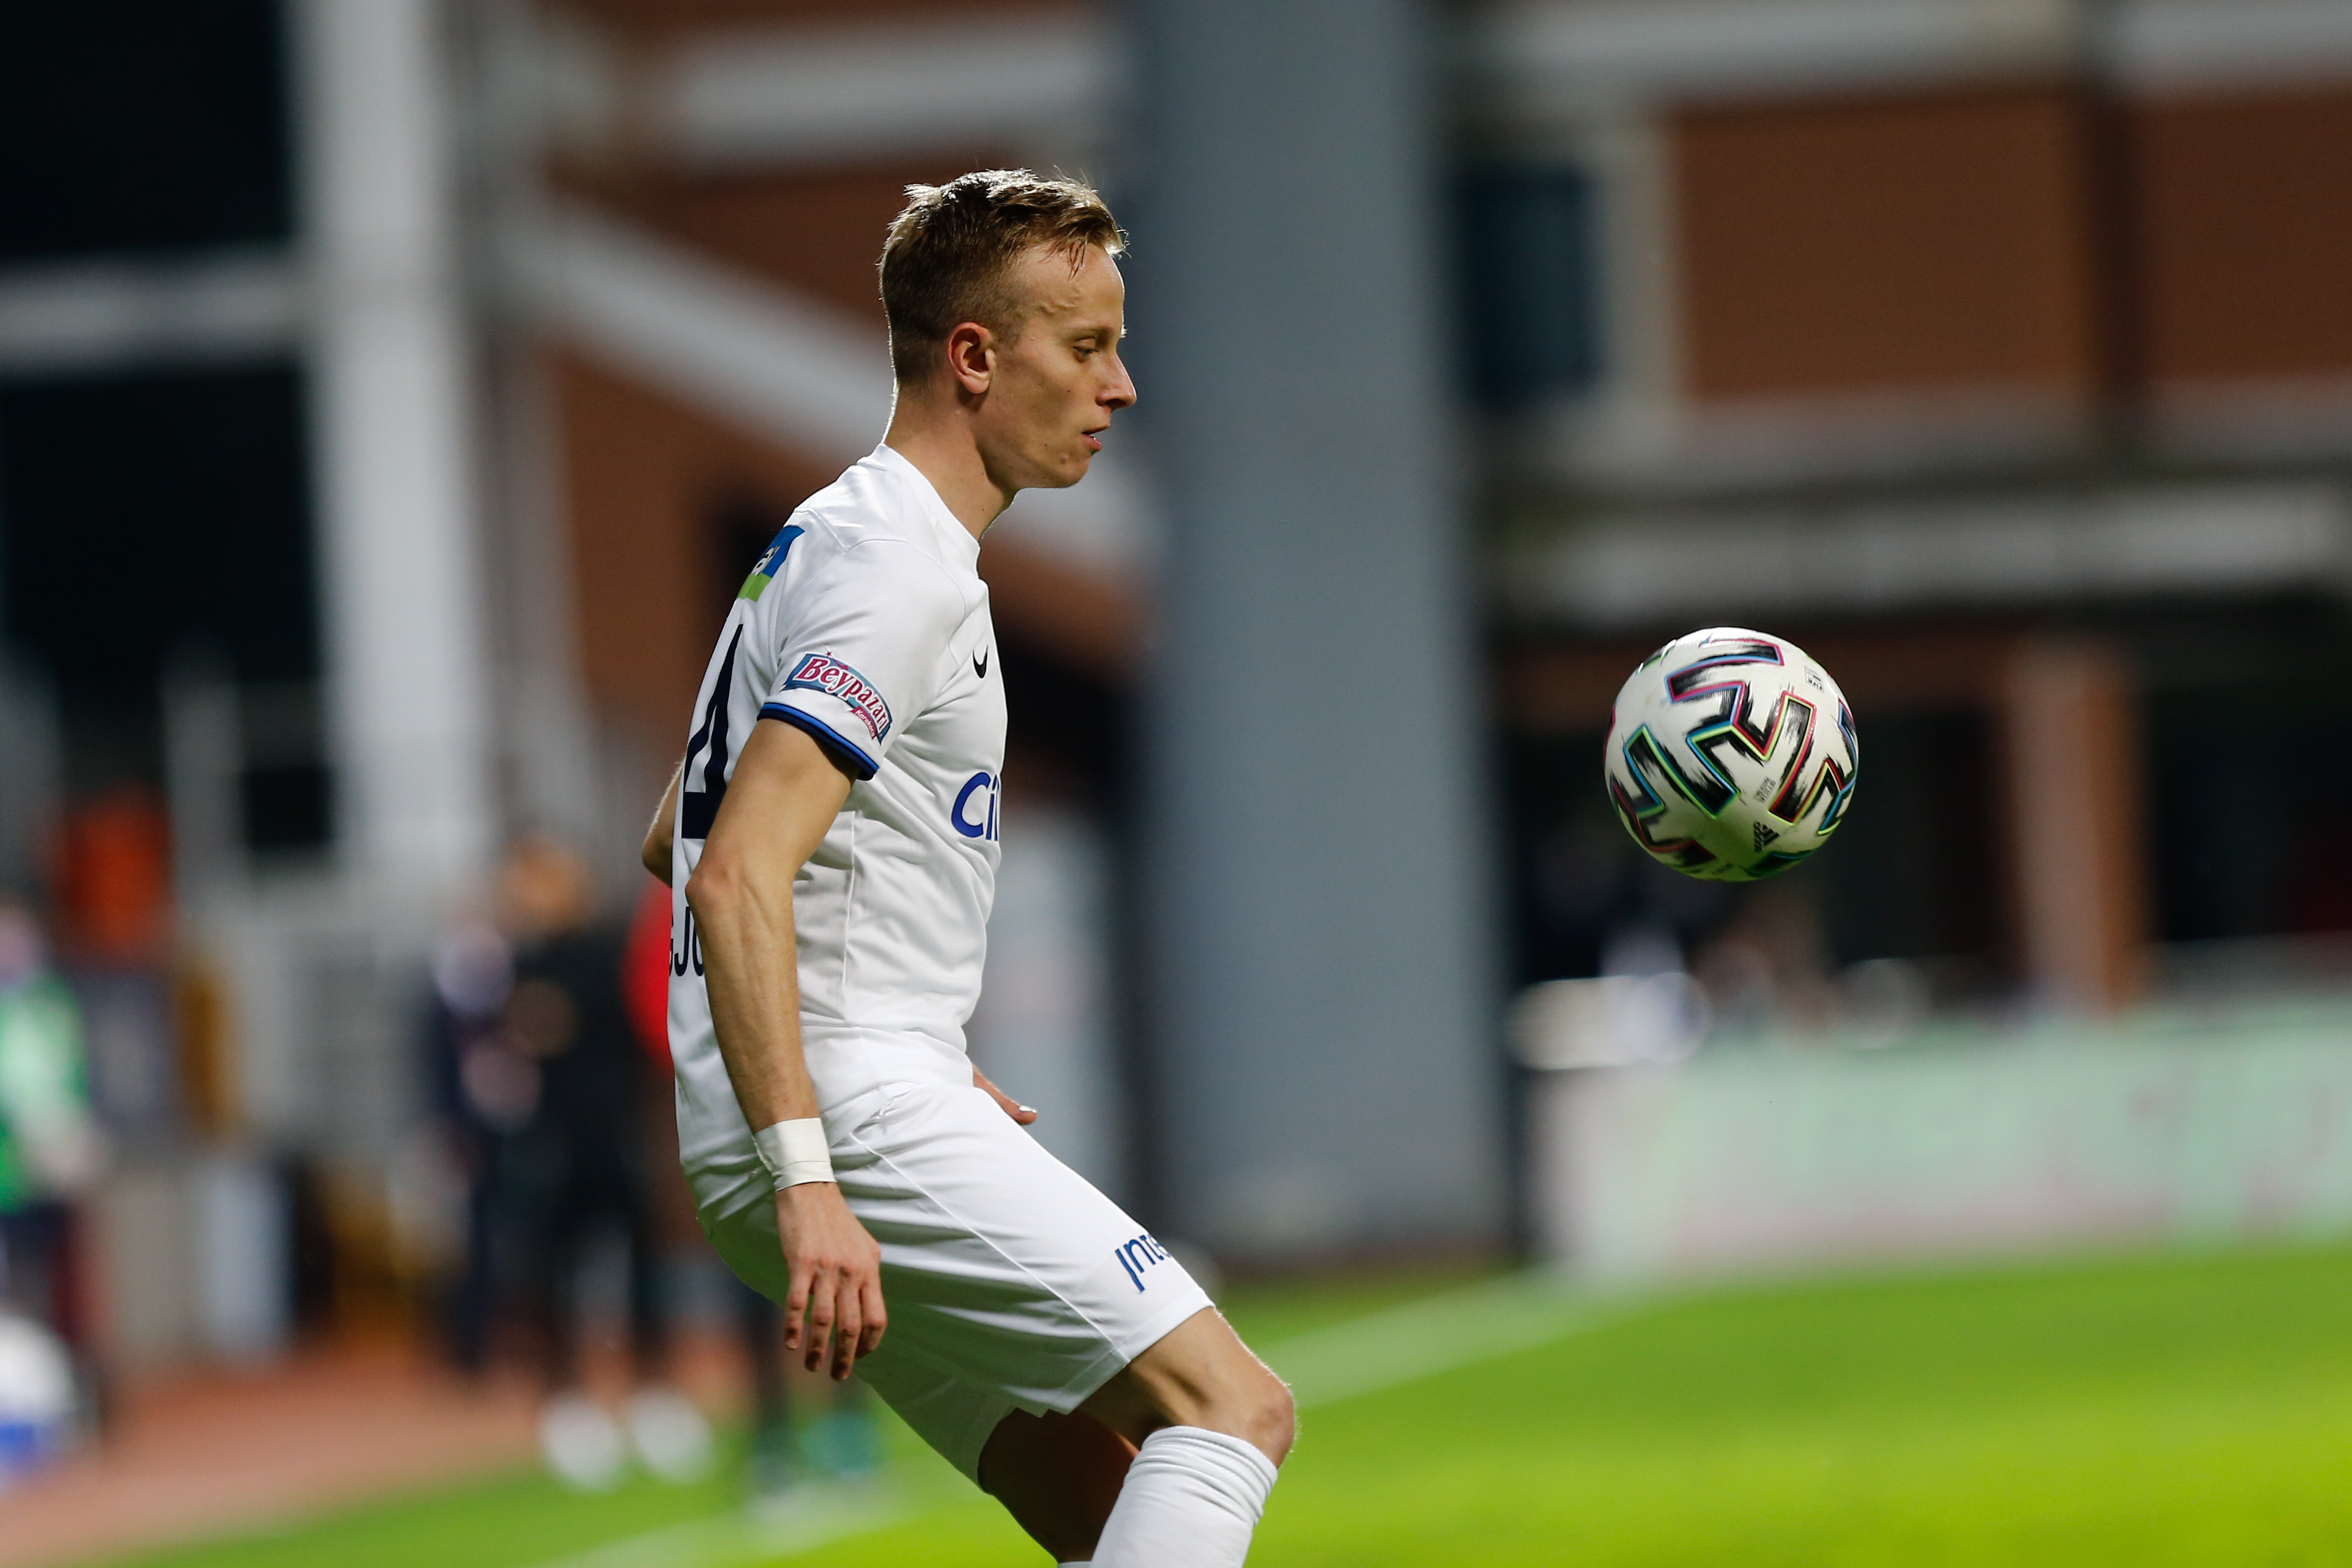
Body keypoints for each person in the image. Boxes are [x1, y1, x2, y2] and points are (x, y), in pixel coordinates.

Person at [641, 170, 1292, 1565]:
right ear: (977, 356)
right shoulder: (900, 570)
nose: (1120, 387)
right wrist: (822, 1158)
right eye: (1088, 346)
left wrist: (907, 1034)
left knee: (1101, 1503)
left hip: (799, 1118)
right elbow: (731, 871)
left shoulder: (830, 537)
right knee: (1232, 1408)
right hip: (842, 1125)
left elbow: (673, 834)